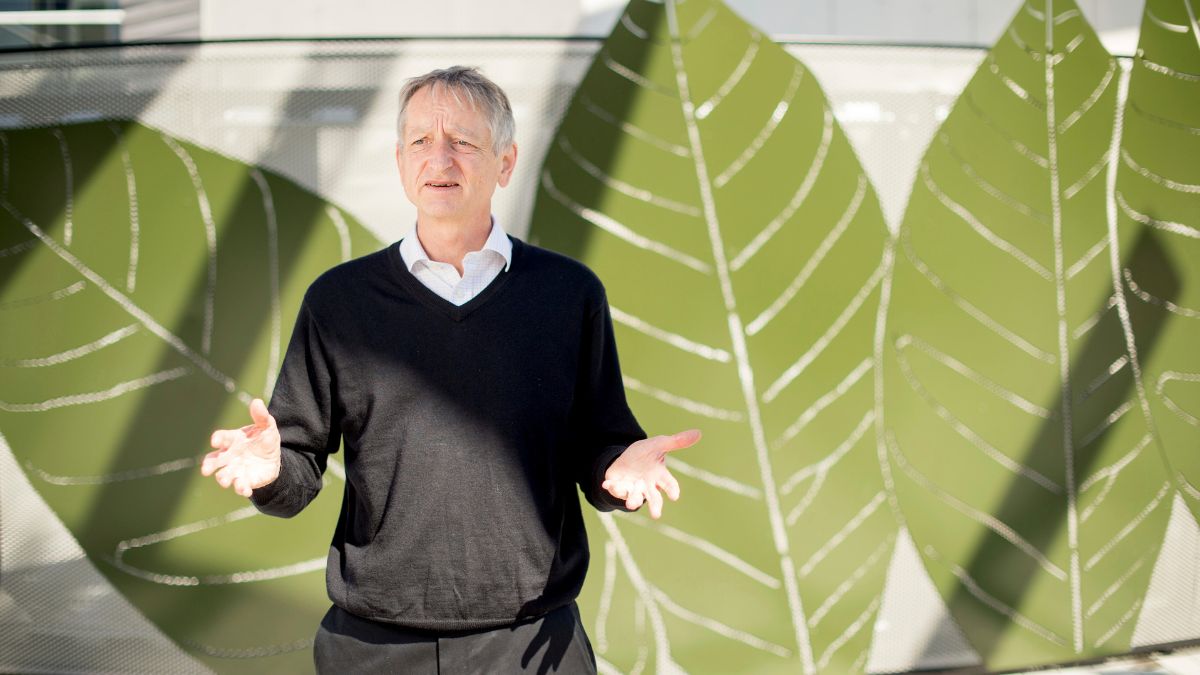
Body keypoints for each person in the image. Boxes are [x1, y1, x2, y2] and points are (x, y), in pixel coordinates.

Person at [200, 66, 701, 674]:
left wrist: (615, 469)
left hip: (533, 644)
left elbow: (600, 448)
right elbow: (297, 469)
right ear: (400, 161)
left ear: (505, 162)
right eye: (420, 141)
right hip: (372, 647)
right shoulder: (340, 301)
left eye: (463, 141)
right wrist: (273, 470)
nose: (440, 158)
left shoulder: (568, 296)